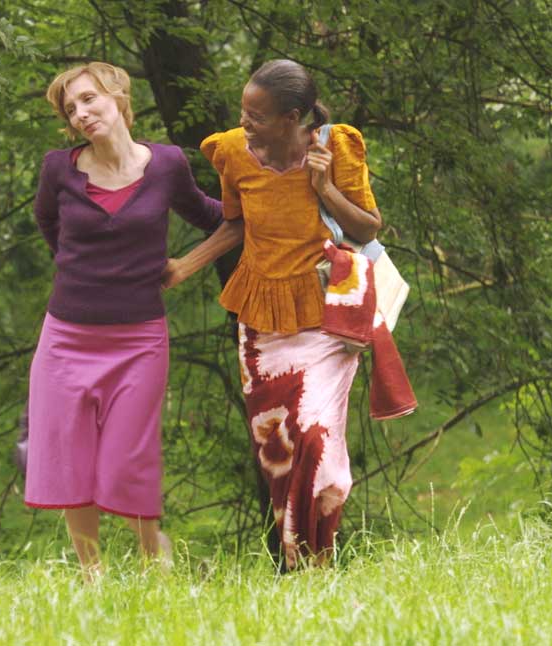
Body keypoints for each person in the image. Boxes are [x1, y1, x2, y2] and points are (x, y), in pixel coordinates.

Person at [162, 59, 385, 568]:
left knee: (316, 439)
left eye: (257, 115)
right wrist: (184, 267)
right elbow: (234, 225)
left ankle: (316, 560)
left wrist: (326, 189)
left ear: (293, 117)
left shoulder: (337, 147)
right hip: (261, 320)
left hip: (324, 317)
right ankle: (302, 566)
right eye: (243, 110)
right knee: (278, 453)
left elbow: (368, 229)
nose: (245, 122)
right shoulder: (232, 154)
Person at [24, 61, 223, 580]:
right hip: (66, 338)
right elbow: (47, 221)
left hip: (139, 341)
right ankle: (93, 577)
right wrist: (82, 271)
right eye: (72, 109)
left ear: (117, 94)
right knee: (71, 462)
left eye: (89, 99)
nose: (82, 113)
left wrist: (276, 202)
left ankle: (153, 557)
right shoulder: (58, 169)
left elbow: (211, 215)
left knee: (126, 461)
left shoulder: (167, 165)